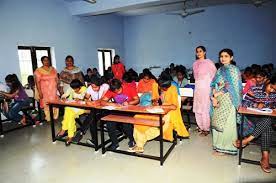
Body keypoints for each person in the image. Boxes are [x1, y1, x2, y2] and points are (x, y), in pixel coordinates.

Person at [132, 75, 190, 153]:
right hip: (157, 110)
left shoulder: (172, 88)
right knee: (138, 118)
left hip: (170, 111)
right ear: (159, 86)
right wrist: (154, 103)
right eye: (164, 88)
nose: (165, 89)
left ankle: (140, 143)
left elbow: (174, 106)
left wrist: (160, 106)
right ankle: (139, 143)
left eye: (167, 88)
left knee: (159, 123)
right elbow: (154, 99)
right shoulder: (155, 86)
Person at [234, 76, 276, 173]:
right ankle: (265, 158)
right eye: (271, 87)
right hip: (254, 117)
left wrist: (271, 106)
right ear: (267, 81)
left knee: (267, 122)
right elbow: (244, 104)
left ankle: (246, 141)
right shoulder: (255, 89)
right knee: (267, 123)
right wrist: (256, 105)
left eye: (275, 90)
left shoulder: (274, 94)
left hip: (267, 118)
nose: (272, 91)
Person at [210, 48, 242, 155]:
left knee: (227, 125)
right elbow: (213, 83)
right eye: (221, 56)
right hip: (218, 99)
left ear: (231, 58)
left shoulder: (234, 69)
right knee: (217, 123)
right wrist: (214, 96)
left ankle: (226, 148)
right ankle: (218, 146)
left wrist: (219, 93)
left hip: (229, 99)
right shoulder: (219, 70)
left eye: (226, 56)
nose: (223, 58)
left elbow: (232, 86)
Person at [101, 79, 139, 150]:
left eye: (118, 91)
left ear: (121, 86)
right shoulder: (111, 89)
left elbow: (137, 100)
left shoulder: (129, 88)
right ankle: (115, 143)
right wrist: (112, 104)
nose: (117, 93)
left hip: (129, 109)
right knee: (109, 123)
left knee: (126, 124)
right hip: (118, 109)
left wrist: (129, 103)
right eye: (115, 92)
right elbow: (102, 101)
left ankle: (132, 140)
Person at [193, 46, 217, 136]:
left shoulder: (209, 63)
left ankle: (206, 129)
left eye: (200, 51)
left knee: (205, 108)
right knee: (197, 108)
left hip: (206, 88)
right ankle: (200, 126)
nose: (198, 53)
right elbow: (195, 77)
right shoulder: (195, 63)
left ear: (205, 52)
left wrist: (213, 89)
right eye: (197, 52)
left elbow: (215, 76)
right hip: (198, 88)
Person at [57, 79, 87, 146]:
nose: (74, 90)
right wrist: (63, 97)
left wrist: (79, 99)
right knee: (68, 110)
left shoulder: (84, 89)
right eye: (73, 89)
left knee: (68, 111)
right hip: (72, 107)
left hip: (82, 108)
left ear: (79, 86)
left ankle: (64, 130)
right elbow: (65, 95)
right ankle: (70, 135)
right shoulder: (71, 88)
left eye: (76, 89)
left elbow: (84, 98)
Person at [84, 77, 110, 145]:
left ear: (100, 85)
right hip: (96, 109)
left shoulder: (105, 86)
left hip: (107, 109)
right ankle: (94, 140)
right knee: (92, 120)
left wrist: (93, 102)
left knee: (92, 116)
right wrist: (87, 101)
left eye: (95, 87)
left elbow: (102, 100)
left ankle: (82, 131)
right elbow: (86, 98)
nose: (93, 89)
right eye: (92, 87)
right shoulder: (90, 87)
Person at [34, 56, 59, 122]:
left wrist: (58, 87)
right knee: (47, 104)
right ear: (42, 62)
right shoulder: (38, 70)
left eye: (48, 60)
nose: (46, 62)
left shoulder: (53, 69)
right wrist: (40, 92)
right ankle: (48, 118)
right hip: (45, 91)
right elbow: (37, 82)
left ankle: (55, 117)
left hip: (53, 90)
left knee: (55, 103)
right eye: (45, 60)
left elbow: (56, 79)